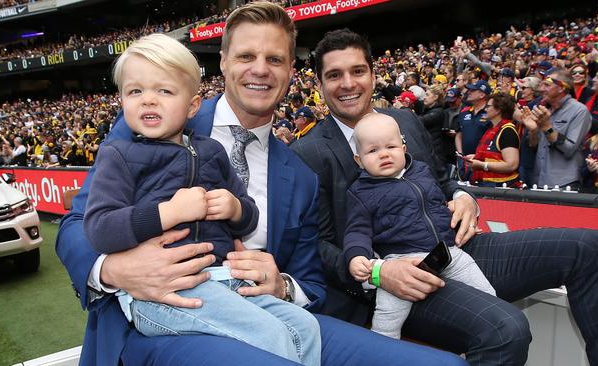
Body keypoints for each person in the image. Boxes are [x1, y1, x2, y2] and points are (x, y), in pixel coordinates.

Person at [56, 3, 466, 366]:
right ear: (223, 62)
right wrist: (115, 269)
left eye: (274, 59)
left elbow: (311, 284)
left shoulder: (301, 174)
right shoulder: (153, 119)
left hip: (264, 308)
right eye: (246, 55)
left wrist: (282, 285)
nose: (259, 69)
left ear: (291, 71)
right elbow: (76, 225)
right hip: (160, 320)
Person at [292, 28, 598, 366]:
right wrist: (379, 273)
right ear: (319, 84)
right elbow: (316, 245)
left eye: (357, 71)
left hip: (455, 249)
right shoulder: (307, 152)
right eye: (335, 75)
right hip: (398, 281)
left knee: (591, 247)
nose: (348, 83)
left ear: (373, 74)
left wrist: (465, 197)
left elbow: (442, 181)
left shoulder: (404, 121)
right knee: (505, 329)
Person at [82, 33, 320, 365]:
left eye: (164, 91)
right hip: (164, 293)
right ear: (122, 100)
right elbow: (100, 228)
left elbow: (249, 215)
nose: (148, 100)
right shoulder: (118, 154)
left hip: (225, 281)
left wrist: (235, 208)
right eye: (135, 91)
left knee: (306, 327)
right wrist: (168, 212)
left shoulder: (211, 150)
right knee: (271, 337)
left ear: (192, 105)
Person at [344, 113, 495, 340]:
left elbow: (436, 207)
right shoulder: (360, 192)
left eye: (391, 146)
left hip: (448, 252)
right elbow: (357, 231)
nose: (384, 154)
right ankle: (379, 355)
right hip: (401, 264)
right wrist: (356, 256)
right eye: (373, 151)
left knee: (488, 300)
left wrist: (456, 218)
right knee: (387, 322)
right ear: (359, 160)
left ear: (403, 147)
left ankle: (484, 343)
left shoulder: (422, 171)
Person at [521, 68, 592, 189]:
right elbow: (534, 146)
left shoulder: (579, 111)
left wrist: (547, 127)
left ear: (561, 88)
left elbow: (569, 149)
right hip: (539, 180)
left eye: (547, 85)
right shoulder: (544, 110)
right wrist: (533, 131)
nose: (541, 89)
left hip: (564, 183)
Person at [465, 93, 521, 188]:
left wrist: (482, 165)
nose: (485, 109)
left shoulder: (507, 131)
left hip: (501, 187)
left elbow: (512, 164)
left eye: (488, 106)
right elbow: (495, 155)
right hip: (487, 185)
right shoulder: (492, 129)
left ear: (498, 110)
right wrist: (476, 157)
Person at [455, 80, 492, 181]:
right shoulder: (464, 111)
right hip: (464, 159)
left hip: (483, 160)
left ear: (482, 94)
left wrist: (480, 155)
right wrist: (460, 154)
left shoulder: (490, 112)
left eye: (473, 90)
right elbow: (459, 133)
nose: (469, 92)